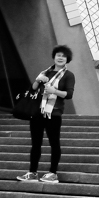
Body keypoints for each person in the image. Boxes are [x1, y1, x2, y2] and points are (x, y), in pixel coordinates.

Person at [16, 45, 76, 183]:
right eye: (58, 55)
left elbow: (69, 94)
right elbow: (32, 91)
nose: (60, 58)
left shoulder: (68, 75)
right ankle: (32, 173)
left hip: (53, 114)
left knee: (54, 143)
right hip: (37, 112)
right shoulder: (45, 72)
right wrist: (38, 80)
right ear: (54, 57)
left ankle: (53, 173)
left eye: (63, 56)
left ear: (67, 59)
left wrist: (54, 91)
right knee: (35, 144)